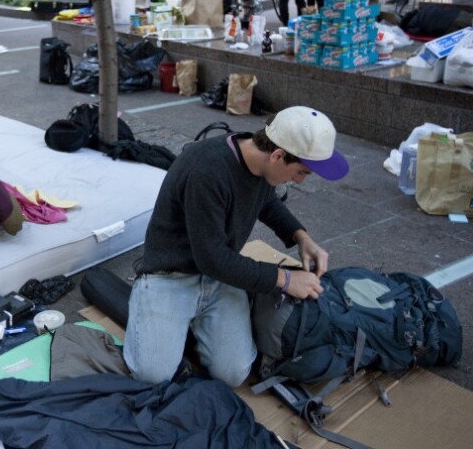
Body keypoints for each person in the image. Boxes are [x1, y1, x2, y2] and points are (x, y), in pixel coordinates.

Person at [124, 106, 349, 388]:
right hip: (170, 275)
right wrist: (285, 280)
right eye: (301, 172)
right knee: (152, 377)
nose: (300, 180)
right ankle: (150, 305)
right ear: (278, 155)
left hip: (220, 277)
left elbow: (265, 200)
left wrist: (301, 237)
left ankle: (186, 329)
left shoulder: (258, 161)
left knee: (234, 373)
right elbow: (212, 259)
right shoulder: (206, 170)